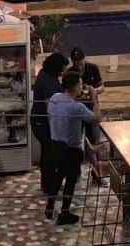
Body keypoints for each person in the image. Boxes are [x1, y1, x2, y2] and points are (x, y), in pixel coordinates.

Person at [47, 69, 101, 225]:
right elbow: (96, 118)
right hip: (71, 149)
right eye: (80, 84)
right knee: (70, 181)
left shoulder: (55, 99)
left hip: (55, 144)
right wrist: (94, 98)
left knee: (57, 177)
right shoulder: (76, 108)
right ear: (76, 85)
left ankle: (50, 207)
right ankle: (64, 213)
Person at [30, 52, 69, 198]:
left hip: (38, 121)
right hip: (43, 123)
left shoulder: (44, 73)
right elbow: (51, 106)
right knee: (50, 154)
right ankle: (49, 185)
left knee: (47, 152)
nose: (64, 71)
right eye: (63, 68)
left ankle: (48, 183)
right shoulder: (50, 81)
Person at [69, 47, 104, 144]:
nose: (79, 66)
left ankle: (94, 158)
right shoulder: (70, 73)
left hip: (91, 109)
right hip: (77, 111)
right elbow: (67, 94)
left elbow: (102, 87)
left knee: (94, 139)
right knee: (76, 140)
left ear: (84, 58)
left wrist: (93, 91)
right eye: (76, 64)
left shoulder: (93, 68)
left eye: (81, 63)